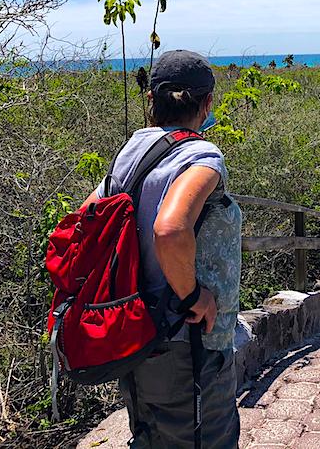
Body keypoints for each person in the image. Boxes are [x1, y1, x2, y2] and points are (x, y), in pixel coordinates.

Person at [84, 50, 242, 448]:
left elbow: (85, 219)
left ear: (151, 100)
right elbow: (170, 229)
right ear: (207, 104)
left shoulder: (129, 154)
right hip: (188, 343)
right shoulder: (201, 157)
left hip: (138, 335)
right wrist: (194, 296)